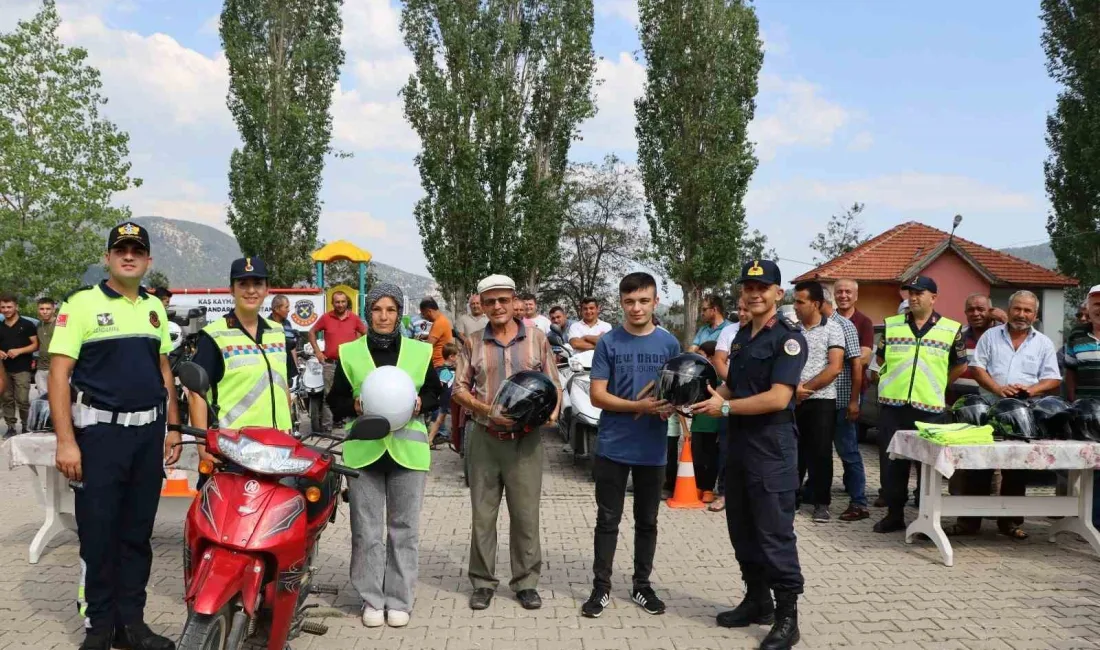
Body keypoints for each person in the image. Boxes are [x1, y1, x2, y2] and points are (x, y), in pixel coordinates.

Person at [48, 221, 181, 650]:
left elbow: (164, 370)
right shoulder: (81, 305)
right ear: (107, 258)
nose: (129, 256)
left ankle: (132, 624)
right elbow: (58, 374)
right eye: (120, 250)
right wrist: (66, 441)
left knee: (137, 534)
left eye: (136, 251)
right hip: (100, 436)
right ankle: (100, 626)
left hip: (148, 437)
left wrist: (172, 428)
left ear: (147, 261)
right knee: (99, 532)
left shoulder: (154, 310)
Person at [692, 259, 807, 650]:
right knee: (742, 529)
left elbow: (778, 397)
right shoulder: (740, 337)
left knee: (774, 534)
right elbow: (732, 388)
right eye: (748, 287)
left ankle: (787, 616)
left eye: (763, 287)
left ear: (778, 293)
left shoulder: (788, 339)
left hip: (772, 449)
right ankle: (757, 600)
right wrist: (699, 401)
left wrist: (724, 409)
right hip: (739, 447)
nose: (755, 294)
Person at [326, 283, 442, 628]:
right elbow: (336, 401)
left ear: (399, 314)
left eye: (391, 310)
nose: (384, 316)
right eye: (377, 309)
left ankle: (400, 599)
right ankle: (371, 598)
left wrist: (424, 403)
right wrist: (355, 405)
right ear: (369, 312)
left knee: (404, 529)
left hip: (409, 451)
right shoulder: (349, 352)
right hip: (365, 452)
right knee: (366, 530)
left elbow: (437, 391)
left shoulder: (419, 353)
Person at [452, 274, 561, 612]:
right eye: (489, 301)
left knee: (525, 515)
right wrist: (489, 411)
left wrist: (552, 415)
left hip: (526, 443)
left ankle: (526, 583)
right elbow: (458, 389)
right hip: (485, 439)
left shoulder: (537, 339)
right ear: (481, 305)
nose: (497, 307)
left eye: (503, 299)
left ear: (515, 301)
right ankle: (483, 583)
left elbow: (554, 385)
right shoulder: (472, 342)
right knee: (483, 516)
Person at [582, 272, 680, 619]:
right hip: (613, 445)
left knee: (647, 521)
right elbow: (598, 395)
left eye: (643, 301)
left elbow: (676, 392)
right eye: (629, 301)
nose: (636, 308)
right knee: (608, 520)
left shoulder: (669, 345)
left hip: (652, 449)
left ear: (655, 302)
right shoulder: (609, 342)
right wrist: (638, 406)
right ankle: (601, 588)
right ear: (621, 303)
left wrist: (672, 405)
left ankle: (642, 586)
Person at [955, 291, 1062, 539]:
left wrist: (1031, 389)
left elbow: (1053, 378)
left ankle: (1011, 522)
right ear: (1009, 309)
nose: (1021, 315)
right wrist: (998, 388)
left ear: (1035, 315)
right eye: (1017, 309)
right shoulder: (991, 336)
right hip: (989, 408)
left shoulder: (1043, 343)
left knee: (1017, 468)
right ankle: (969, 523)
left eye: (1027, 311)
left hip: (1024, 414)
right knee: (979, 465)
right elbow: (977, 367)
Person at [872, 276, 967, 534]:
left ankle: (926, 519)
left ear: (933, 297)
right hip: (893, 406)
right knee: (892, 463)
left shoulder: (951, 328)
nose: (913, 297)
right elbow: (880, 360)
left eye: (919, 293)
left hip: (930, 408)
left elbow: (960, 364)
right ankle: (894, 515)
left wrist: (938, 383)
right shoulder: (891, 326)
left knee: (927, 466)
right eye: (910, 293)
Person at [188, 258, 297, 448]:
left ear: (266, 289)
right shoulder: (214, 335)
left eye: (257, 284)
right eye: (243, 284)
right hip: (233, 447)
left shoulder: (277, 332)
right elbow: (196, 395)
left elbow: (284, 387)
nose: (251, 290)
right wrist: (202, 446)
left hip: (277, 445)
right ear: (232, 290)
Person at [791, 281, 844, 524]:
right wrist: (793, 391)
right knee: (793, 452)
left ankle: (821, 503)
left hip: (821, 400)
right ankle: (791, 498)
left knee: (820, 453)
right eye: (795, 301)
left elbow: (834, 368)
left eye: (800, 302)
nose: (796, 306)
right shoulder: (792, 330)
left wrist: (806, 389)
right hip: (792, 399)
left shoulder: (833, 329)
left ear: (816, 303)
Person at [820, 288, 867, 521]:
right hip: (821, 403)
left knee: (849, 453)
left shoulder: (844, 326)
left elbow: (856, 366)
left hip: (841, 401)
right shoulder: (817, 325)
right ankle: (818, 497)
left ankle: (859, 502)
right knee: (820, 453)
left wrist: (854, 401)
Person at [1064, 286, 1100, 528]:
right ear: (1088, 307)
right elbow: (1070, 373)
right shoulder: (1076, 336)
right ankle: (1093, 522)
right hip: (1088, 412)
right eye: (1095, 303)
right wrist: (1074, 404)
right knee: (1094, 468)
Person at [309, 290, 367, 431]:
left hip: (350, 365)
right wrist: (317, 351)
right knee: (329, 397)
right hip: (330, 364)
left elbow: (366, 335)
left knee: (354, 395)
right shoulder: (326, 318)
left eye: (343, 301)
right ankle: (327, 430)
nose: (340, 304)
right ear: (332, 303)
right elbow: (311, 332)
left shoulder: (354, 318)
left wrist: (360, 352)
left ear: (347, 302)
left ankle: (355, 427)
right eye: (337, 302)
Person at [693, 340, 727, 511]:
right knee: (697, 456)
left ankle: (708, 488)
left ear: (712, 357)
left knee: (712, 458)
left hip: (715, 424)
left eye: (702, 355)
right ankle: (697, 486)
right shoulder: (699, 374)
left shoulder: (721, 377)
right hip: (698, 424)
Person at [0, 292, 38, 435]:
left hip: (22, 368)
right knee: (6, 399)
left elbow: (35, 345)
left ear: (16, 306)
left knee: (22, 399)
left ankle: (26, 426)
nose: (6, 310)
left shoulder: (27, 325)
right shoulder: (0, 326)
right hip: (3, 369)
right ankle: (10, 427)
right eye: (3, 307)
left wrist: (19, 351)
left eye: (9, 307)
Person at [429, 342, 459, 448]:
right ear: (451, 357)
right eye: (458, 355)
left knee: (439, 420)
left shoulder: (451, 369)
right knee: (440, 420)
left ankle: (430, 440)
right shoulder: (445, 371)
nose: (459, 358)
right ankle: (430, 440)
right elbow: (440, 385)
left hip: (448, 399)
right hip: (447, 400)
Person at [714, 298, 750, 379]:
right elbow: (718, 361)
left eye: (746, 310)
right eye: (739, 309)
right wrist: (735, 383)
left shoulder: (765, 332)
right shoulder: (727, 330)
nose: (741, 313)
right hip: (729, 383)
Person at [419, 297, 455, 369]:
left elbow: (428, 346)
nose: (424, 317)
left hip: (439, 364)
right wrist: (426, 336)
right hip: (440, 363)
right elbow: (439, 337)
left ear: (429, 311)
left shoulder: (439, 323)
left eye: (424, 314)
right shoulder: (442, 319)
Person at [35, 297, 58, 399]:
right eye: (42, 309)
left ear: (54, 309)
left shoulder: (60, 324)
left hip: (57, 367)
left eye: (48, 309)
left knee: (57, 398)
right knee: (43, 399)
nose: (44, 312)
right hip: (41, 368)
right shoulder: (39, 325)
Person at [270, 294, 300, 368]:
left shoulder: (288, 323)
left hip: (289, 370)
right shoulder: (266, 325)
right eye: (286, 307)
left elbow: (292, 348)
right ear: (276, 309)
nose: (289, 310)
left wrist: (295, 366)